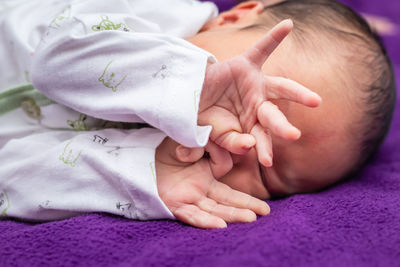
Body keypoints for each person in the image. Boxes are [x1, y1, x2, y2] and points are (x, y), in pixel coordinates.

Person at [0, 0, 395, 229]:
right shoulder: (158, 16)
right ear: (234, 17)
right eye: (252, 100)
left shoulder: (158, 181)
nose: (233, 143)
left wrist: (139, 174)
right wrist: (191, 84)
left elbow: (10, 177)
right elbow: (54, 58)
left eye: (263, 172)